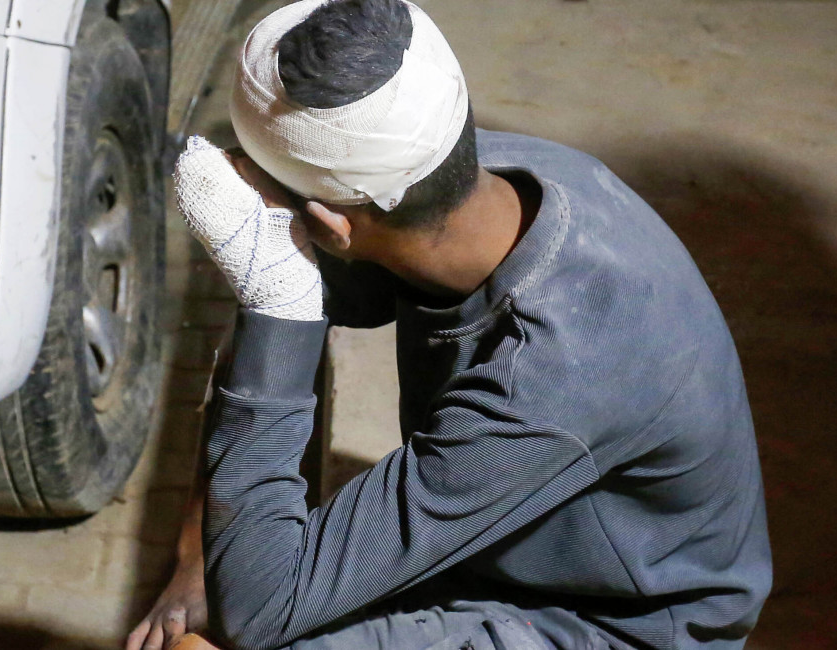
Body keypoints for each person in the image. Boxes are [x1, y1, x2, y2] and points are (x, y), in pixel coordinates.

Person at [128, 1, 771, 649]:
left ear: (331, 228)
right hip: (507, 550)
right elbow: (289, 333)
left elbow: (258, 610)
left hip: (607, 625)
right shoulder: (470, 175)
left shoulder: (552, 373)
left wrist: (276, 291)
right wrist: (196, 549)